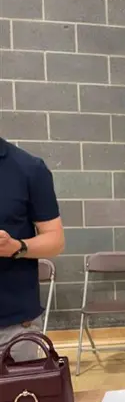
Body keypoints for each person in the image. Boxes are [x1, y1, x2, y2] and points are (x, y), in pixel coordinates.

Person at [0, 136, 65, 360]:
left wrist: (16, 247)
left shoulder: (28, 168)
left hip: (12, 328)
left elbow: (55, 240)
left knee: (17, 395)